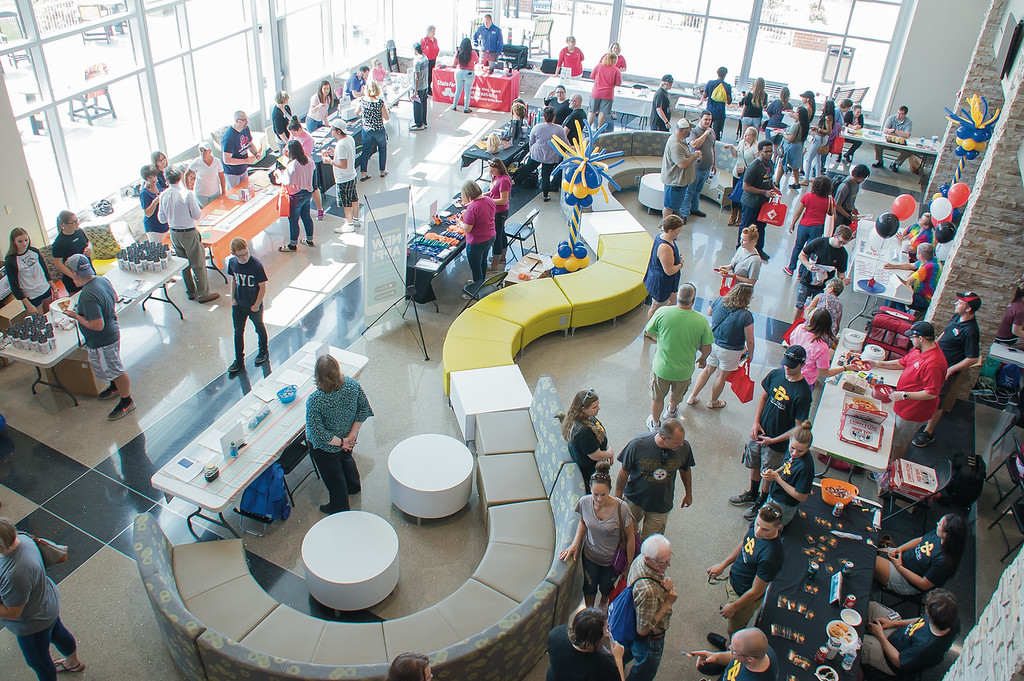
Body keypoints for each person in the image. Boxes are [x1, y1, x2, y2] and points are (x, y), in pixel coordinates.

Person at [0, 518, 85, 680]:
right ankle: (73, 663)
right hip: (47, 604)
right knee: (59, 633)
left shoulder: (15, 574)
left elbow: (12, 612)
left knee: (39, 661)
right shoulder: (22, 539)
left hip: (33, 623)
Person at [729, 346, 812, 511]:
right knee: (754, 463)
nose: (787, 368)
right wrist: (756, 422)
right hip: (760, 432)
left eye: (791, 365)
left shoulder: (802, 394)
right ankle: (752, 493)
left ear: (802, 364)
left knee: (768, 472)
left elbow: (797, 429)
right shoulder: (776, 374)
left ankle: (761, 500)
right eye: (785, 364)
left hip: (777, 443)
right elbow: (764, 396)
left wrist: (773, 440)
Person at [62, 254, 134, 420]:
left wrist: (76, 316)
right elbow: (115, 298)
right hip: (112, 331)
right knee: (112, 367)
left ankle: (127, 401)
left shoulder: (87, 295)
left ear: (74, 273)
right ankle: (115, 387)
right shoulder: (102, 280)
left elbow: (97, 325)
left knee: (115, 369)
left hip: (104, 339)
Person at [864, 321, 947, 462]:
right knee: (904, 437)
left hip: (914, 410)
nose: (910, 340)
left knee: (899, 441)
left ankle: (891, 469)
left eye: (912, 337)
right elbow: (902, 362)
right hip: (904, 403)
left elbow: (932, 392)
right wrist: (878, 364)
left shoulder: (933, 363)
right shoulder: (919, 349)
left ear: (921, 338)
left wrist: (904, 395)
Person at [705, 503, 785, 648]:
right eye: (758, 524)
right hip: (735, 581)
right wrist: (724, 564)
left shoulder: (771, 556)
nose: (758, 531)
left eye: (765, 529)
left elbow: (756, 591)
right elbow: (745, 543)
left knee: (735, 631)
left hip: (743, 595)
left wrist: (734, 607)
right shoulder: (757, 527)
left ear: (778, 528)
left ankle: (730, 650)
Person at [559, 463, 635, 608]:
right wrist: (575, 543)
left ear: (610, 491)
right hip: (590, 556)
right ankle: (589, 611)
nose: (599, 499)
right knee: (589, 587)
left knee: (606, 587)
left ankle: (602, 605)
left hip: (612, 560)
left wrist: (629, 565)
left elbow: (630, 537)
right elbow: (583, 522)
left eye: (603, 495)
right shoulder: (584, 502)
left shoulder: (622, 509)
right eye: (595, 495)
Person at [305, 354, 373, 514]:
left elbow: (318, 433)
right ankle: (354, 486)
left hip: (327, 448)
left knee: (334, 477)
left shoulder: (315, 400)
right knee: (347, 459)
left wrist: (342, 442)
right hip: (349, 437)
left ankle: (339, 506)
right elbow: (363, 410)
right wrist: (350, 437)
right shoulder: (352, 385)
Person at [912, 292, 981, 447]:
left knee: (938, 400)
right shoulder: (957, 317)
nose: (956, 303)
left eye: (961, 302)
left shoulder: (971, 331)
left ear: (969, 309)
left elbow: (973, 358)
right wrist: (930, 348)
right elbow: (945, 333)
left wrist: (950, 370)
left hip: (945, 370)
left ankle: (928, 432)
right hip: (933, 362)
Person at [643, 282, 712, 429]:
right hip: (684, 370)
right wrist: (703, 358)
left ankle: (655, 423)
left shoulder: (663, 313)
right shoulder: (701, 321)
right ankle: (671, 411)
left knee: (657, 397)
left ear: (678, 297)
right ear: (693, 301)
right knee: (677, 395)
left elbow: (649, 330)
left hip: (662, 368)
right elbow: (707, 347)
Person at [614, 420, 695, 540]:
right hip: (634, 500)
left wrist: (688, 494)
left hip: (661, 504)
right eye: (677, 443)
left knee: (651, 542)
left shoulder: (684, 448)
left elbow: (685, 470)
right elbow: (624, 472)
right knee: (627, 534)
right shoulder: (637, 445)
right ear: (663, 438)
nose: (681, 445)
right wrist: (617, 498)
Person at [686, 283, 755, 410]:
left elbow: (709, 312)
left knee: (707, 370)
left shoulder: (719, 300)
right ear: (746, 297)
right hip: (731, 350)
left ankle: (692, 396)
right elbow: (749, 340)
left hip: (712, 343)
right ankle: (713, 402)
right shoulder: (746, 316)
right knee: (721, 376)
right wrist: (750, 353)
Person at [863, 589, 960, 677]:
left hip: (890, 658)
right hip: (899, 634)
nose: (925, 611)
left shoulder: (925, 649)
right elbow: (921, 620)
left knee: (859, 643)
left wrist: (880, 636)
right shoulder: (951, 619)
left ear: (932, 619)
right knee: (870, 607)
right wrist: (893, 623)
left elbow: (898, 661)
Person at [159, 167, 218, 304]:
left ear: (166, 179)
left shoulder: (163, 195)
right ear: (180, 177)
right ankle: (203, 293)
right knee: (198, 264)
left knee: (183, 264)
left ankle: (190, 291)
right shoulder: (187, 194)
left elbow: (162, 219)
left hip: (174, 232)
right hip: (188, 232)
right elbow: (197, 214)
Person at [622, 535, 677, 681]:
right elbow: (643, 630)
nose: (668, 565)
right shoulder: (649, 591)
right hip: (650, 640)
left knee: (623, 653)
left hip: (629, 624)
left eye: (669, 559)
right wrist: (667, 603)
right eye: (662, 563)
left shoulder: (640, 559)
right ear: (647, 558)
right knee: (643, 673)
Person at [873, 514, 966, 595]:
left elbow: (923, 584)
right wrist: (899, 549)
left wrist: (898, 566)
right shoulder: (938, 535)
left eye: (940, 524)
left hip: (906, 581)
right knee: (871, 550)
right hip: (902, 558)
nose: (937, 523)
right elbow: (920, 540)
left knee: (871, 561)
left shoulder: (943, 562)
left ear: (946, 535)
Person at [746, 422, 814, 524]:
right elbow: (787, 465)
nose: (794, 453)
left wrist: (777, 478)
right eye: (793, 448)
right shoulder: (792, 453)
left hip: (784, 504)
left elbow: (801, 496)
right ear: (790, 440)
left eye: (800, 451)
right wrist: (774, 473)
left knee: (772, 527)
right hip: (774, 494)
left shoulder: (805, 468)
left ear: (808, 448)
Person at [226, 237, 268, 375]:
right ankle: (239, 359)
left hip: (253, 304)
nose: (244, 257)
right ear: (233, 254)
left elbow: (262, 287)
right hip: (239, 303)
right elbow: (233, 280)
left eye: (246, 253)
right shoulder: (232, 263)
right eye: (240, 255)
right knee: (238, 331)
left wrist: (257, 304)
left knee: (259, 327)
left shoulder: (256, 265)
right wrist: (232, 297)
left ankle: (263, 350)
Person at [546, 606, 624, 681]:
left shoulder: (557, 634)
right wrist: (618, 658)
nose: (608, 633)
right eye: (606, 630)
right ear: (595, 641)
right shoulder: (605, 665)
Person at [561, 389, 615, 491]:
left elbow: (598, 438)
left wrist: (606, 447)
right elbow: (596, 455)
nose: (598, 408)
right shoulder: (584, 432)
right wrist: (609, 453)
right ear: (583, 409)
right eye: (594, 407)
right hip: (589, 472)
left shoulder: (584, 418)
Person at [795, 226, 852, 321]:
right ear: (835, 236)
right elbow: (802, 255)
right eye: (840, 242)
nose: (841, 245)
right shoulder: (819, 242)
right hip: (807, 280)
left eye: (844, 243)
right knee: (799, 305)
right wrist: (808, 265)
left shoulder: (843, 254)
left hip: (824, 286)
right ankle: (794, 326)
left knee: (818, 310)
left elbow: (841, 273)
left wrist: (843, 280)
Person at [784, 175, 833, 276]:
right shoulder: (829, 200)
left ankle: (791, 268)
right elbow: (832, 214)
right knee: (809, 250)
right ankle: (801, 272)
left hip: (804, 226)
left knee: (798, 247)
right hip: (818, 228)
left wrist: (792, 224)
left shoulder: (807, 196)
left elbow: (798, 212)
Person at [517, 106, 568, 202]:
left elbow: (531, 141)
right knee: (546, 176)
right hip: (551, 156)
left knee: (527, 169)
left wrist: (532, 149)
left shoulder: (537, 127)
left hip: (537, 154)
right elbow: (564, 142)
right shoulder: (559, 129)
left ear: (544, 116)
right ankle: (545, 195)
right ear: (554, 117)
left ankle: (515, 182)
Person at [691, 627, 778, 681]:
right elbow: (735, 657)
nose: (729, 648)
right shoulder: (760, 649)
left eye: (734, 650)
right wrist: (716, 657)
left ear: (750, 659)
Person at [739, 140, 777, 260]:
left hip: (763, 204)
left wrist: (773, 187)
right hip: (751, 203)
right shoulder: (754, 166)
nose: (769, 154)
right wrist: (764, 192)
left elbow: (768, 179)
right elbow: (746, 187)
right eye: (766, 152)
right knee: (746, 228)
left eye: (771, 151)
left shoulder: (770, 163)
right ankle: (740, 249)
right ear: (759, 151)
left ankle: (759, 249)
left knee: (761, 227)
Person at [5, 228, 56, 316]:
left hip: (45, 288)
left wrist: (54, 288)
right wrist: (27, 304)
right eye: (20, 241)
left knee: (50, 315)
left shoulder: (34, 251)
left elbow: (45, 270)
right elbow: (14, 286)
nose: (24, 244)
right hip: (31, 295)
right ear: (14, 242)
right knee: (41, 320)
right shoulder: (11, 261)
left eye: (26, 240)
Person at [276, 139, 315, 251]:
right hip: (308, 193)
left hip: (296, 195)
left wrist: (280, 175)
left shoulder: (292, 165)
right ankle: (309, 239)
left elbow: (289, 182)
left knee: (293, 220)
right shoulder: (309, 160)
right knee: (306, 216)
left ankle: (292, 244)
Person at [642, 215, 684, 319]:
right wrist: (680, 264)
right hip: (662, 282)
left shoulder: (664, 236)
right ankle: (650, 330)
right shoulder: (665, 247)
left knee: (672, 300)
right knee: (656, 306)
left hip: (670, 281)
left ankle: (664, 319)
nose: (680, 232)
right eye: (678, 230)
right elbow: (669, 271)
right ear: (670, 230)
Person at [660, 118, 700, 221]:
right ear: (684, 130)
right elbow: (682, 164)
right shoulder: (675, 144)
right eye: (690, 129)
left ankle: (670, 227)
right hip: (675, 183)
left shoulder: (680, 140)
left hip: (680, 182)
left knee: (674, 206)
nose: (691, 131)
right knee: (669, 207)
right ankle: (666, 229)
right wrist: (694, 156)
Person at [286, 116, 325, 221]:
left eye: (294, 133)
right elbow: (290, 144)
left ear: (299, 129)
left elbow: (306, 155)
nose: (293, 135)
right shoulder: (293, 135)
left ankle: (320, 209)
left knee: (314, 188)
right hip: (296, 165)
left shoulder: (308, 138)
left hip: (306, 166)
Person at [458, 180, 496, 287]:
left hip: (477, 242)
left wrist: (460, 222)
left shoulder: (472, 208)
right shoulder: (489, 200)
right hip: (490, 236)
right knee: (483, 261)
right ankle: (480, 282)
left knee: (475, 267)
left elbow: (467, 229)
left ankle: (477, 290)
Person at [885, 242, 941, 311]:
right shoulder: (931, 259)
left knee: (899, 293)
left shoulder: (927, 267)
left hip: (925, 299)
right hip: (920, 291)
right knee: (899, 292)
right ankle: (889, 311)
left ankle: (896, 314)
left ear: (920, 255)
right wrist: (893, 266)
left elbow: (906, 282)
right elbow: (911, 266)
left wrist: (909, 275)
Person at [326, 119, 360, 232]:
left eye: (332, 130)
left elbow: (343, 164)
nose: (331, 132)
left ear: (338, 131)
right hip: (352, 175)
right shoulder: (349, 139)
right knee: (354, 198)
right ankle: (355, 219)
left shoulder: (341, 145)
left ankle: (349, 224)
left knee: (346, 202)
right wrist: (334, 153)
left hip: (343, 178)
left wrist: (329, 161)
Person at [681, 111, 716, 222]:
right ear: (700, 119)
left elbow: (713, 147)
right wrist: (705, 134)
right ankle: (684, 213)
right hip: (695, 167)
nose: (708, 122)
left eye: (710, 120)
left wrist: (714, 163)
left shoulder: (712, 131)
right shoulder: (694, 132)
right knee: (689, 191)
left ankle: (694, 208)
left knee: (698, 190)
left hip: (707, 167)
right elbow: (694, 144)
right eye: (705, 119)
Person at [51, 211, 91, 295]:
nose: (77, 223)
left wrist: (88, 248)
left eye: (77, 220)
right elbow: (58, 264)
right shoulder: (59, 243)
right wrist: (74, 277)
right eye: (74, 222)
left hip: (88, 270)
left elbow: (88, 242)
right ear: (64, 225)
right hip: (73, 278)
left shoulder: (79, 231)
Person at [356, 80, 390, 180]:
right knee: (382, 149)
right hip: (379, 130)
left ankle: (363, 173)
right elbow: (387, 117)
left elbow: (356, 113)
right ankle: (382, 171)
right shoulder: (380, 103)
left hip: (367, 130)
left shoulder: (362, 101)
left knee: (365, 151)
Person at [726, 126, 759, 226]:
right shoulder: (741, 143)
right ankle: (733, 215)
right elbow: (736, 155)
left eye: (748, 135)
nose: (745, 136)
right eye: (745, 134)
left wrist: (746, 168)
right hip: (737, 173)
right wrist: (732, 148)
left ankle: (740, 217)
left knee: (743, 196)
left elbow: (757, 163)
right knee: (735, 193)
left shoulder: (756, 148)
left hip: (747, 175)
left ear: (754, 137)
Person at [221, 110, 260, 189]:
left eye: (247, 119)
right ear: (236, 121)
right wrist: (246, 161)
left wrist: (256, 153)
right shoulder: (229, 137)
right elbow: (227, 160)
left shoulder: (245, 129)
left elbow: (250, 144)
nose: (246, 122)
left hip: (243, 168)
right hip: (232, 172)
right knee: (235, 193)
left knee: (246, 190)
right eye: (243, 120)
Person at [486, 159, 512, 272]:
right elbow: (493, 192)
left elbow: (503, 200)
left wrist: (487, 200)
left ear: (499, 169)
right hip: (495, 211)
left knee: (496, 237)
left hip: (499, 212)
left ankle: (495, 264)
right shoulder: (497, 178)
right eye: (490, 170)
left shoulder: (504, 181)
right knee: (501, 233)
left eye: (493, 170)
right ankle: (502, 257)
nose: (492, 173)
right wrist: (484, 195)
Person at [873, 105, 914, 171]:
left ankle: (895, 163)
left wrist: (894, 131)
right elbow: (885, 130)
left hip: (899, 143)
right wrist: (899, 133)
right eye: (898, 113)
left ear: (905, 115)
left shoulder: (908, 122)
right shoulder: (891, 118)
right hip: (888, 140)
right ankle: (879, 161)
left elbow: (907, 135)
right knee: (877, 145)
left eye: (901, 114)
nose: (898, 115)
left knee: (908, 152)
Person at [775, 107, 807, 190]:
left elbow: (790, 138)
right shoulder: (804, 124)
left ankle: (777, 182)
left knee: (782, 164)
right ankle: (796, 182)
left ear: (799, 115)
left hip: (791, 146)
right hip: (798, 146)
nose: (794, 114)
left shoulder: (796, 125)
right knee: (795, 166)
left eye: (796, 113)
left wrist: (783, 133)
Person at [803, 99, 835, 183]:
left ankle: (806, 178)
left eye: (824, 105)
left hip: (819, 138)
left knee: (809, 158)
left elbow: (829, 131)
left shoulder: (827, 118)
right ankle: (817, 178)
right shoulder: (829, 117)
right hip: (821, 138)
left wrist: (817, 129)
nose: (822, 107)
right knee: (817, 159)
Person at [186, 142, 226, 207]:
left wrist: (223, 192)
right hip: (201, 194)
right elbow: (187, 175)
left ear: (210, 151)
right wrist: (189, 188)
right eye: (201, 151)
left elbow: (222, 177)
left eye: (205, 150)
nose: (202, 153)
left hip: (215, 193)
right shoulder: (196, 162)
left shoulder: (217, 162)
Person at [589, 53, 621, 130]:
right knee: (602, 113)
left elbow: (592, 76)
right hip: (607, 94)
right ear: (614, 60)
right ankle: (599, 129)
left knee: (592, 111)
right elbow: (618, 83)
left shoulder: (598, 66)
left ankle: (587, 127)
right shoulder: (616, 70)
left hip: (596, 92)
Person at [834, 163, 869, 227]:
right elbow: (837, 205)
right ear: (857, 175)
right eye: (862, 178)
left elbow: (850, 198)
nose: (863, 180)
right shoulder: (844, 187)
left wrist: (852, 207)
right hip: (839, 216)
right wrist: (850, 217)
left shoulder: (856, 184)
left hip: (847, 213)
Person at [139, 165, 168, 242]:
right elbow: (147, 213)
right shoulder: (144, 193)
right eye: (150, 177)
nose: (153, 179)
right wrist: (155, 202)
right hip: (154, 226)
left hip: (163, 222)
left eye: (154, 176)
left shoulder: (157, 185)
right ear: (145, 179)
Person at [702, 66, 732, 140]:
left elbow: (705, 96)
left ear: (717, 73)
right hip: (720, 112)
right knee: (716, 132)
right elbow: (729, 101)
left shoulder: (710, 83)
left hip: (710, 110)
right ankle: (715, 146)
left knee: (705, 129)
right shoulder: (727, 86)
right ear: (725, 74)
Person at [451, 38, 478, 114]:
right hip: (469, 73)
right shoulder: (473, 53)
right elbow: (477, 61)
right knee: (467, 91)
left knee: (458, 90)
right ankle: (466, 108)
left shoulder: (458, 52)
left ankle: (454, 106)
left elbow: (454, 63)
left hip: (459, 72)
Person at [763, 86, 792, 152]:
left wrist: (772, 117)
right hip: (782, 128)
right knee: (777, 147)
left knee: (768, 145)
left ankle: (768, 159)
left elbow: (768, 111)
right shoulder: (789, 106)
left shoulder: (776, 102)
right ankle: (774, 159)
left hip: (772, 126)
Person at [995, 279, 1024, 345]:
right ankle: (1009, 346)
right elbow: (1016, 331)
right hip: (1004, 338)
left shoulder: (1013, 300)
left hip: (997, 332)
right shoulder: (1021, 309)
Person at [410, 43, 430, 131]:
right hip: (425, 85)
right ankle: (424, 122)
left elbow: (416, 76)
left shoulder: (417, 61)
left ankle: (418, 124)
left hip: (419, 87)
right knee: (424, 104)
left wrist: (416, 91)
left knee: (417, 105)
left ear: (415, 50)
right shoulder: (425, 58)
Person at [421, 26, 439, 95]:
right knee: (427, 75)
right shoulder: (424, 40)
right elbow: (421, 50)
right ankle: (427, 89)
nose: (434, 33)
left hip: (433, 59)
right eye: (433, 31)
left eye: (435, 31)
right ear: (429, 31)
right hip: (426, 60)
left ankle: (429, 87)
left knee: (431, 74)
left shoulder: (435, 40)